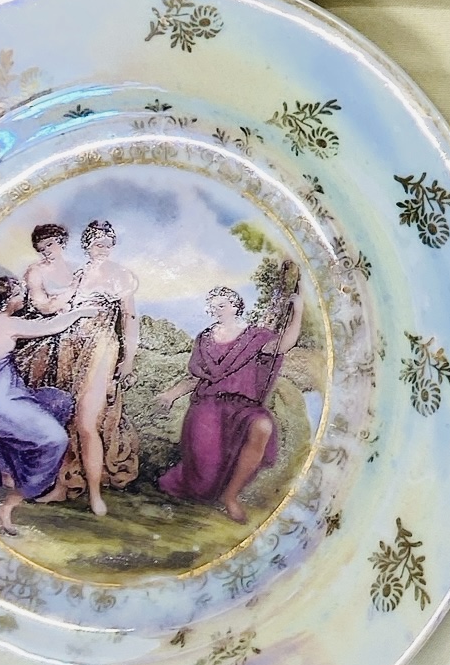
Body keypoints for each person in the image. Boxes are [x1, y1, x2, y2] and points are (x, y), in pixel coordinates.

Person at [15, 218, 139, 515]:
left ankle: (95, 495)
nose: (103, 248)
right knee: (66, 419)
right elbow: (52, 308)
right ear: (86, 246)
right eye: (97, 243)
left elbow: (129, 318)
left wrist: (129, 358)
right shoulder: (78, 275)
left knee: (86, 422)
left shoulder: (120, 275)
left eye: (107, 243)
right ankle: (64, 485)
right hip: (68, 348)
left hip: (101, 349)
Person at [156, 279, 304, 521]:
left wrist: (298, 310)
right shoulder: (205, 339)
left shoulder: (255, 337)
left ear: (235, 306)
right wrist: (171, 394)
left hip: (244, 407)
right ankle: (194, 486)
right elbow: (196, 378)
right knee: (205, 477)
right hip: (208, 406)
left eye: (221, 305)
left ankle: (231, 496)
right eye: (213, 307)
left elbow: (284, 344)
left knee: (262, 426)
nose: (216, 310)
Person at [0, 278, 93, 534]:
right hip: (1, 405)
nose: (23, 297)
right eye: (20, 294)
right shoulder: (9, 324)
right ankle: (10, 504)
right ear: (10, 300)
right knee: (56, 441)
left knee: (58, 401)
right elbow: (52, 326)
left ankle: (8, 472)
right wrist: (79, 313)